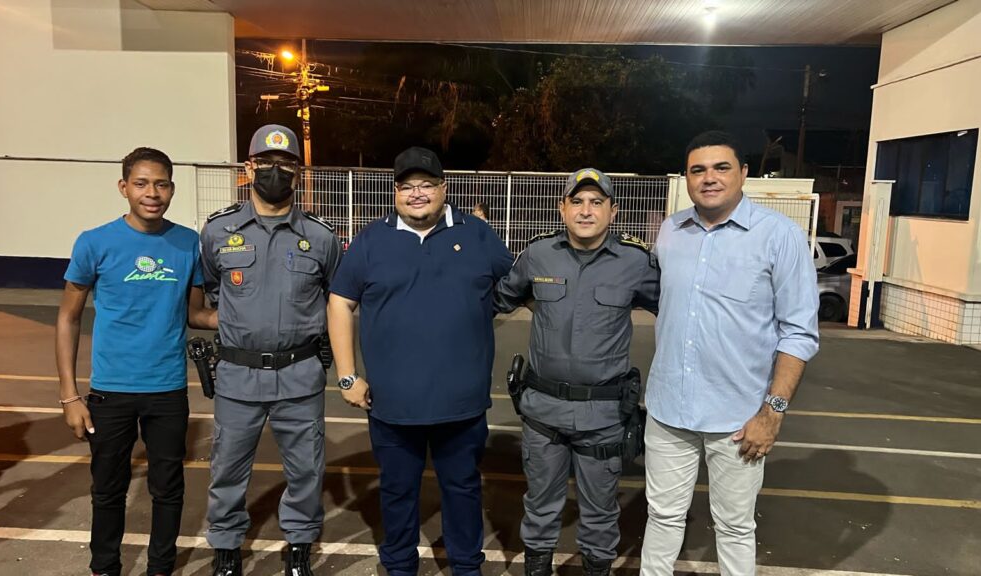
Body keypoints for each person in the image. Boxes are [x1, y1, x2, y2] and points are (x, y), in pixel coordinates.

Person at [326, 146, 513, 576]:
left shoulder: (477, 235)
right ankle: (399, 566)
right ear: (395, 192)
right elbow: (340, 302)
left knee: (463, 490)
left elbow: (519, 288)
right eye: (407, 186)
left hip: (462, 405)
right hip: (392, 404)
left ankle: (466, 567)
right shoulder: (371, 240)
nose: (417, 194)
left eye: (426, 185)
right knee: (397, 492)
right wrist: (348, 376)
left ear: (444, 188)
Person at [639, 131, 819, 576]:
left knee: (735, 527)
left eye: (721, 167)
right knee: (662, 518)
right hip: (668, 411)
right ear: (686, 178)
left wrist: (772, 413)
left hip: (739, 419)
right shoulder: (670, 231)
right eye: (698, 170)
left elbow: (798, 333)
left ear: (744, 173)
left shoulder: (780, 236)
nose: (709, 178)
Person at [56, 147, 217, 576]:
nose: (152, 193)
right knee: (108, 490)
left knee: (168, 488)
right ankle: (104, 567)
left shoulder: (188, 243)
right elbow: (68, 317)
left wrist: (251, 316)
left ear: (172, 189)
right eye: (142, 183)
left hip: (168, 390)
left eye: (161, 184)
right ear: (123, 187)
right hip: (110, 392)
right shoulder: (94, 242)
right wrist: (70, 396)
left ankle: (160, 568)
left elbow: (196, 314)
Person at [494, 168, 659, 576]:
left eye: (597, 202)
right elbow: (499, 297)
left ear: (613, 212)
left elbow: (680, 311)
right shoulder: (538, 254)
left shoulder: (636, 262)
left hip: (602, 416)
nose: (586, 211)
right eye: (578, 201)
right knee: (539, 506)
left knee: (600, 512)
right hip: (543, 412)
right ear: (562, 208)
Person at [200, 124, 341, 576]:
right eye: (265, 162)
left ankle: (299, 546)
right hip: (237, 376)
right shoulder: (218, 231)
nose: (275, 171)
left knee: (306, 470)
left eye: (286, 164)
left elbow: (337, 302)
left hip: (299, 374)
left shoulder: (321, 237)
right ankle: (226, 548)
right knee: (227, 468)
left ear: (299, 172)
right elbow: (211, 292)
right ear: (249, 168)